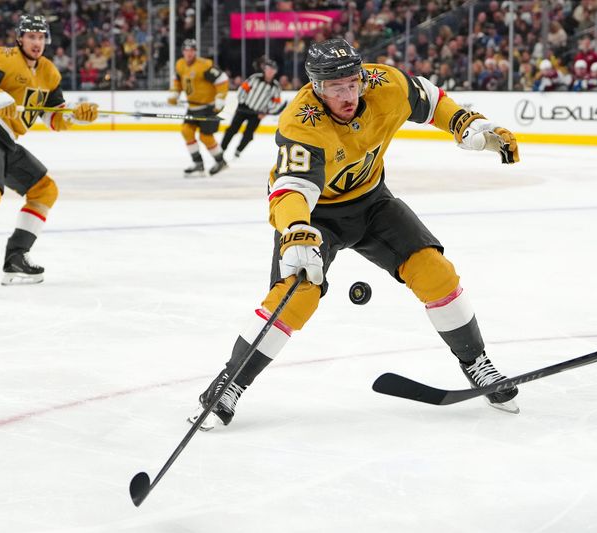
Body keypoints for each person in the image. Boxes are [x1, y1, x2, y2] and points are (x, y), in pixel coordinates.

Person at [188, 38, 521, 431]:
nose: (347, 95)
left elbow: (429, 99)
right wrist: (296, 230)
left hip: (372, 202)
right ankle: (230, 383)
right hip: (314, 215)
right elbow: (291, 189)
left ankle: (475, 362)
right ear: (316, 87)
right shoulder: (302, 122)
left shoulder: (386, 84)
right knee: (297, 294)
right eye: (335, 88)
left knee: (436, 272)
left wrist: (465, 123)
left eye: (352, 83)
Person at [0, 14, 99, 293]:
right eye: (31, 36)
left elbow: (54, 117)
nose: (36, 42)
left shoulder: (50, 73)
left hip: (5, 139)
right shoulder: (3, 58)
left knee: (45, 190)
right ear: (20, 38)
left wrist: (77, 115)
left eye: (41, 37)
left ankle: (16, 257)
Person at [167, 39, 229, 177]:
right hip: (192, 107)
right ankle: (198, 163)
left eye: (191, 50)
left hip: (209, 107)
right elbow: (177, 80)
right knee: (186, 131)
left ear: (195, 51)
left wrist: (220, 99)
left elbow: (222, 79)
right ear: (183, 51)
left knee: (205, 137)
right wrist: (174, 94)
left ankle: (220, 161)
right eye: (186, 50)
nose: (189, 53)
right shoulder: (180, 64)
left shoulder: (204, 65)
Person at [220, 58, 284, 158]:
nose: (270, 71)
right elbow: (242, 89)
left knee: (248, 135)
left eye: (272, 70)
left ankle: (238, 150)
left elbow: (276, 103)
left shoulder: (275, 87)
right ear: (265, 69)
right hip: (244, 109)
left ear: (275, 72)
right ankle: (222, 149)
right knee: (232, 130)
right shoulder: (255, 78)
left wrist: (266, 112)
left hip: (257, 114)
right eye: (268, 69)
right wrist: (241, 103)